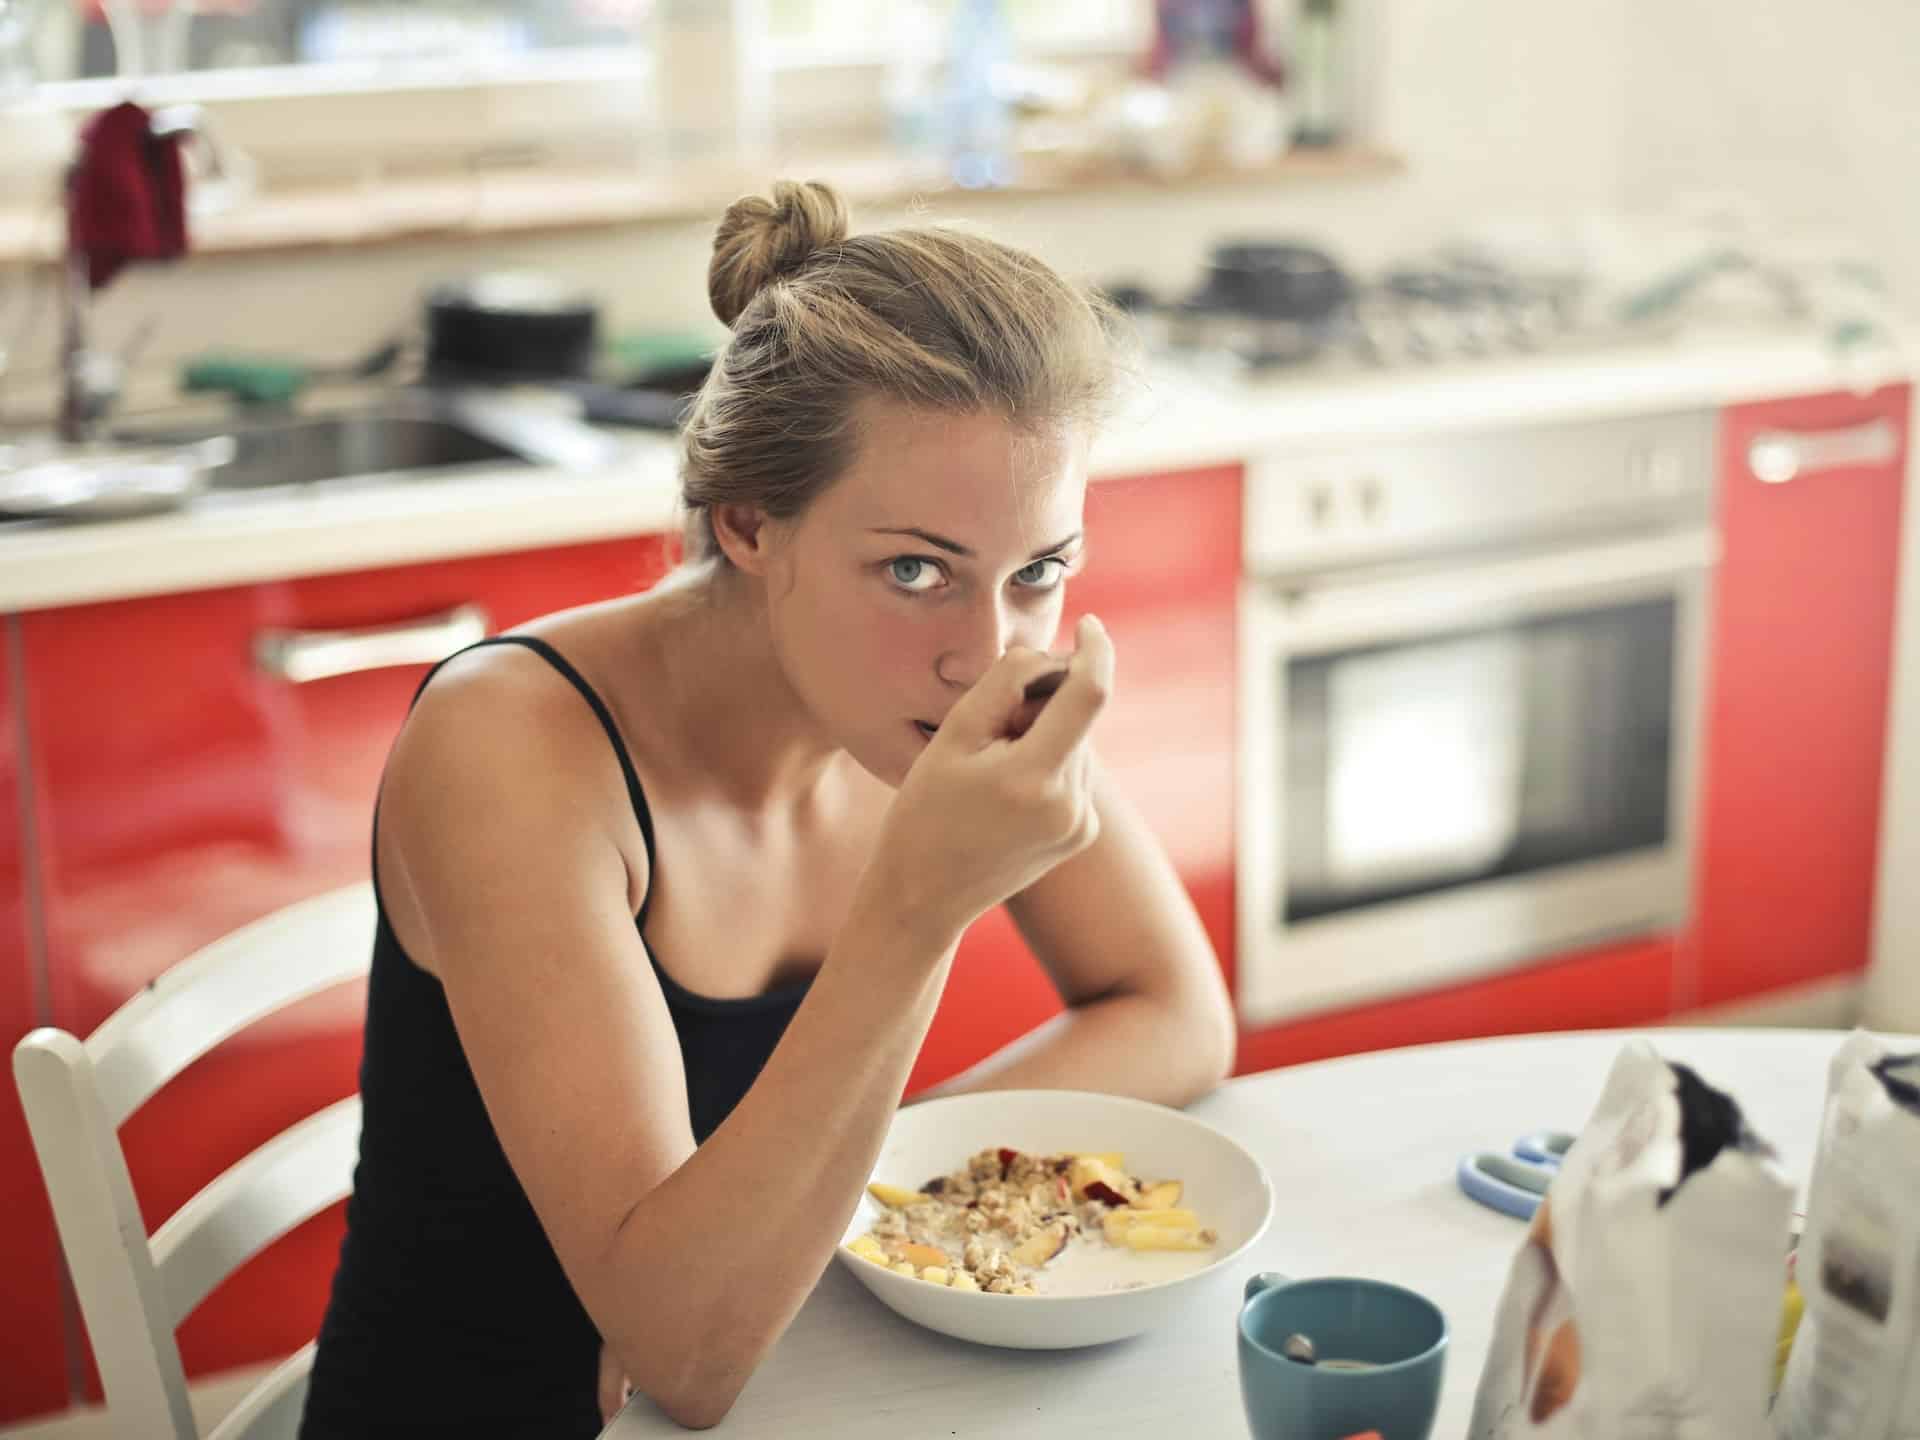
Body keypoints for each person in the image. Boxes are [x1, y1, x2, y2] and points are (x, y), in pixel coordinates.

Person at [298, 179, 1237, 1438]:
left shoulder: (952, 685)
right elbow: (683, 1353)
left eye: (1039, 572)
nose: (986, 652)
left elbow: (1175, 1013)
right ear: (749, 524)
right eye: (915, 570)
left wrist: (818, 1203)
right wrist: (918, 908)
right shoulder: (514, 748)